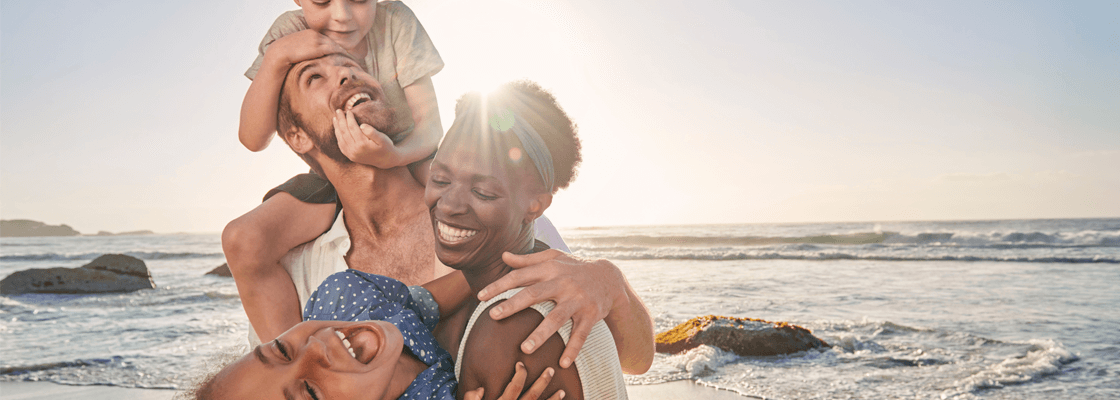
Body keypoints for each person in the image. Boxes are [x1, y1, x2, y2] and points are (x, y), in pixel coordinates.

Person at [197, 79, 630, 400]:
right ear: (297, 137)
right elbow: (243, 242)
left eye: (284, 347)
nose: (316, 345)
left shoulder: (340, 298)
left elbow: (633, 356)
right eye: (310, 392)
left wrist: (603, 279)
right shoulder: (303, 261)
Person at [224, 0, 447, 344]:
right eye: (322, 2)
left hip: (410, 151)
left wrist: (393, 156)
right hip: (334, 177)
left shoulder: (395, 21)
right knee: (245, 239)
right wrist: (277, 57)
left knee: (466, 197)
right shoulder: (287, 33)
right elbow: (253, 138)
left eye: (358, 0)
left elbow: (430, 126)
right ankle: (293, 366)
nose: (342, 16)